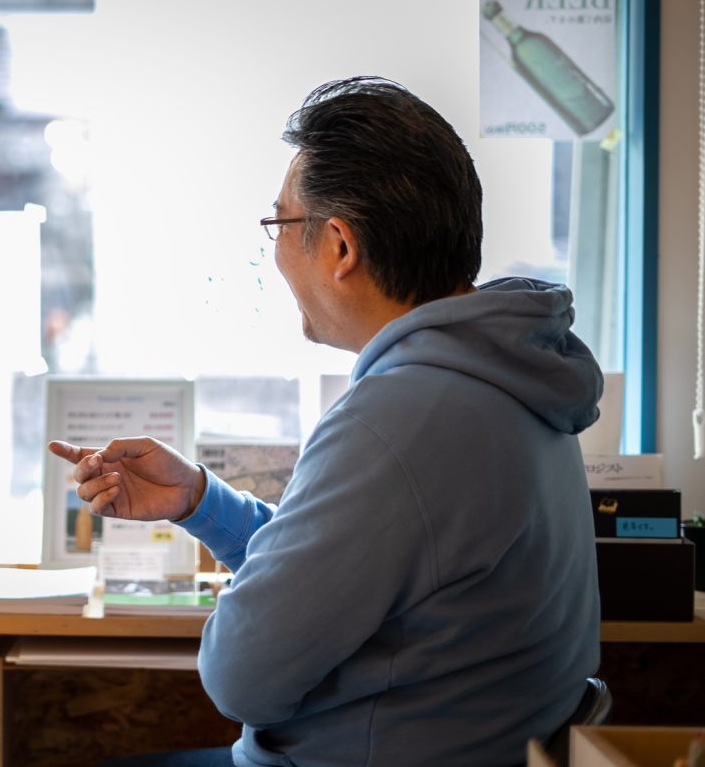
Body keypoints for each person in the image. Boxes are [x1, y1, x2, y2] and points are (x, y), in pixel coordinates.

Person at [49, 77, 602, 767]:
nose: (275, 249)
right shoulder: (513, 372)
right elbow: (352, 575)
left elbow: (239, 675)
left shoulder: (398, 421)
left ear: (340, 246)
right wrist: (200, 501)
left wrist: (255, 604)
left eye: (279, 224)